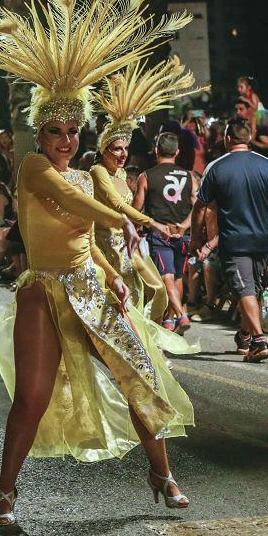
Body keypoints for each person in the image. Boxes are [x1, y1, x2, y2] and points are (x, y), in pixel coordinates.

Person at [0, 0, 195, 529]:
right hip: (45, 293)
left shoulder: (84, 171)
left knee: (139, 377)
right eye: (54, 130)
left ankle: (162, 474)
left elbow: (90, 227)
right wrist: (123, 219)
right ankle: (5, 494)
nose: (63, 139)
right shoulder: (34, 168)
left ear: (81, 129)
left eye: (70, 130)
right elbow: (82, 206)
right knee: (31, 396)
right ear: (41, 130)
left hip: (89, 283)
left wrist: (114, 277)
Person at [92, 57, 201, 346]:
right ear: (103, 149)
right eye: (115, 149)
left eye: (125, 149)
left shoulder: (130, 175)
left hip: (131, 244)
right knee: (125, 297)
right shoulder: (98, 172)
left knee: (159, 289)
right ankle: (137, 344)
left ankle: (150, 336)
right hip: (107, 245)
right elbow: (119, 206)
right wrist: (152, 223)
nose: (122, 154)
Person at [192, 118, 268, 362]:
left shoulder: (216, 167)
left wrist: (197, 238)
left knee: (246, 288)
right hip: (261, 238)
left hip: (234, 240)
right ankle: (246, 335)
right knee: (252, 287)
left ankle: (258, 340)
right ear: (248, 138)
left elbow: (201, 207)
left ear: (228, 139)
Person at [134, 132, 199, 332]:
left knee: (167, 277)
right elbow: (198, 206)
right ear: (177, 152)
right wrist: (185, 225)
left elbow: (135, 210)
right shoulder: (190, 176)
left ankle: (180, 314)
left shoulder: (146, 176)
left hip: (160, 235)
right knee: (177, 277)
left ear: (156, 150)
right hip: (183, 235)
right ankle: (169, 319)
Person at [236, 75, 268, 156]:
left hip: (261, 116)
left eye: (241, 87)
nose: (239, 89)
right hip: (253, 118)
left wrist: (247, 101)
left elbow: (256, 108)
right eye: (238, 87)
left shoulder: (253, 95)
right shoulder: (243, 98)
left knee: (262, 136)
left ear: (249, 87)